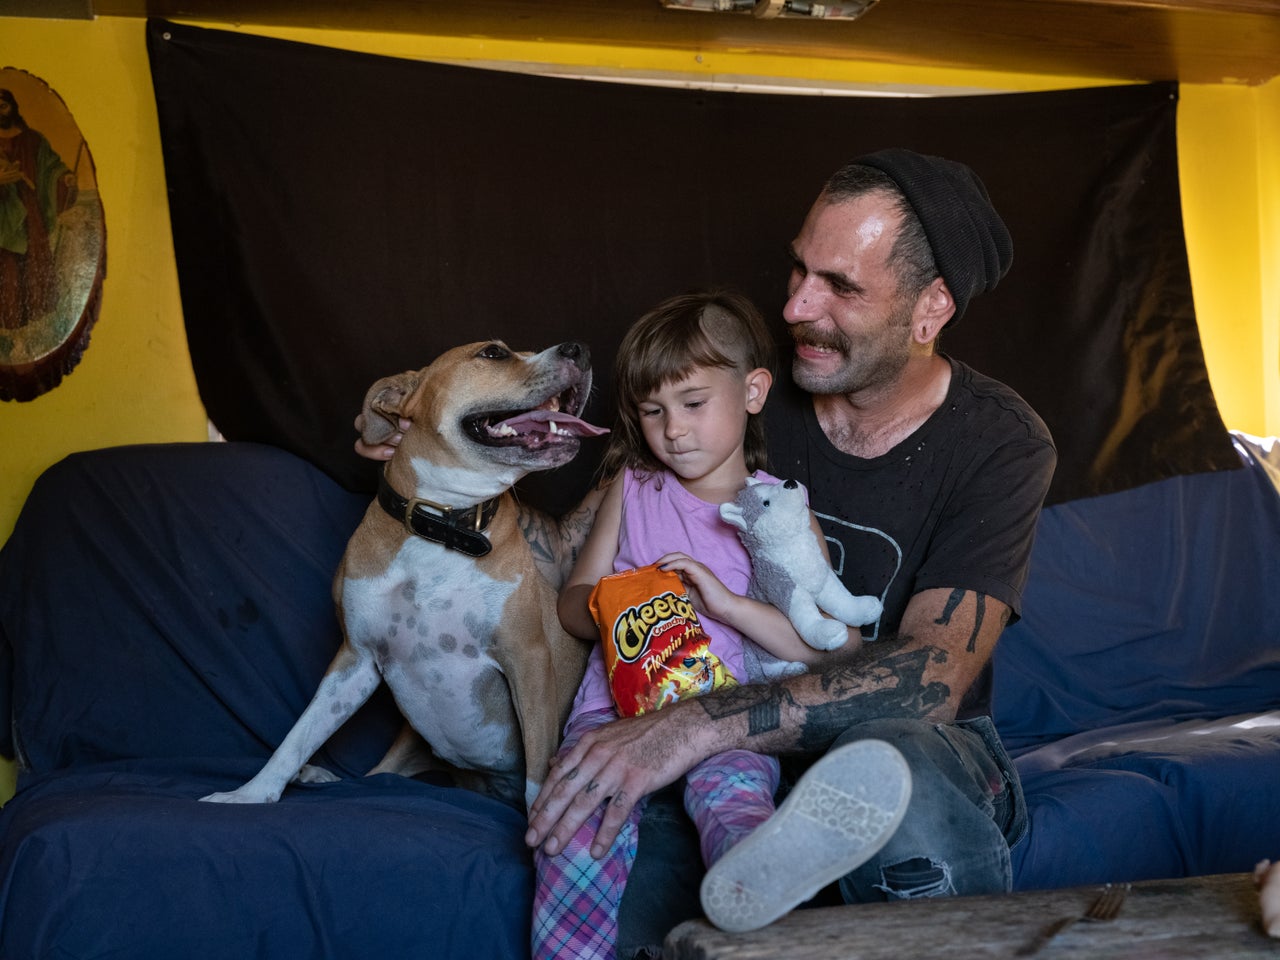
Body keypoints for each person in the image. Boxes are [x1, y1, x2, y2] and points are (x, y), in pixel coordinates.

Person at [360, 148, 1057, 957]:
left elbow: (932, 681)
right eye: (799, 270)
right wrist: (444, 460)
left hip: (909, 748)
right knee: (611, 876)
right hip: (716, 744)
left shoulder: (999, 442)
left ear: (930, 307)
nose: (796, 306)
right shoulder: (723, 397)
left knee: (897, 771)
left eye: (840, 286)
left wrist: (696, 726)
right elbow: (564, 562)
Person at [532, 290, 904, 958]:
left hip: (725, 713)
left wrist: (722, 605)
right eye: (652, 411)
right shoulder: (634, 489)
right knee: (575, 825)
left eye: (694, 403)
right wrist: (628, 601)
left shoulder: (781, 516)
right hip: (612, 712)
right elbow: (574, 601)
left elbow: (823, 647)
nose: (673, 430)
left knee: (734, 802)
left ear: (753, 391)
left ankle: (770, 880)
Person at [0, 88, 77, 330]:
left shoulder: (34, 140)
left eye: (2, 106)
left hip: (30, 211)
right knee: (7, 265)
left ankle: (37, 322)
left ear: (12, 107)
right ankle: (8, 322)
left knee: (34, 260)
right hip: (2, 213)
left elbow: (51, 168)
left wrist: (64, 179)